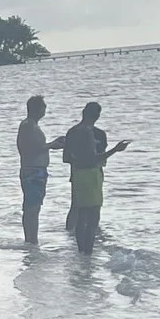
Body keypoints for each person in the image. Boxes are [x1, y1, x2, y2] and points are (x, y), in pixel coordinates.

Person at [53, 102, 130, 254]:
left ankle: (81, 252)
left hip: (77, 174)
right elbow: (93, 158)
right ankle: (87, 253)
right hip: (91, 175)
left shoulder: (72, 132)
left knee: (80, 215)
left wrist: (79, 160)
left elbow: (66, 157)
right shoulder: (89, 132)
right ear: (97, 116)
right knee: (93, 218)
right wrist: (116, 149)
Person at [16, 95, 50, 245]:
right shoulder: (28, 125)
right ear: (37, 109)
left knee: (34, 207)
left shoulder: (32, 125)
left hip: (37, 171)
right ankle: (31, 240)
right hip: (32, 171)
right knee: (32, 208)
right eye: (43, 107)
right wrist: (51, 145)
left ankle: (31, 239)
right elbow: (29, 149)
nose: (45, 110)